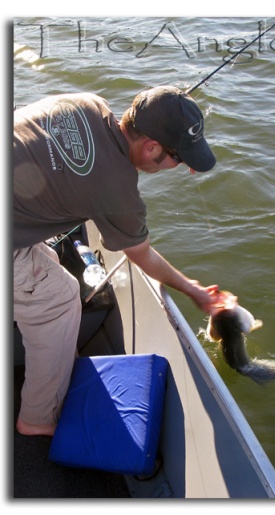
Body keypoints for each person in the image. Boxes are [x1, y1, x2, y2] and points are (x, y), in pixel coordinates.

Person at [14, 85, 219, 436]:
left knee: (44, 262)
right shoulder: (119, 191)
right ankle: (37, 419)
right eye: (180, 159)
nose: (185, 170)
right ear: (152, 147)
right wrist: (194, 291)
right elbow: (142, 256)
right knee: (58, 299)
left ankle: (55, 362)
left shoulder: (85, 103)